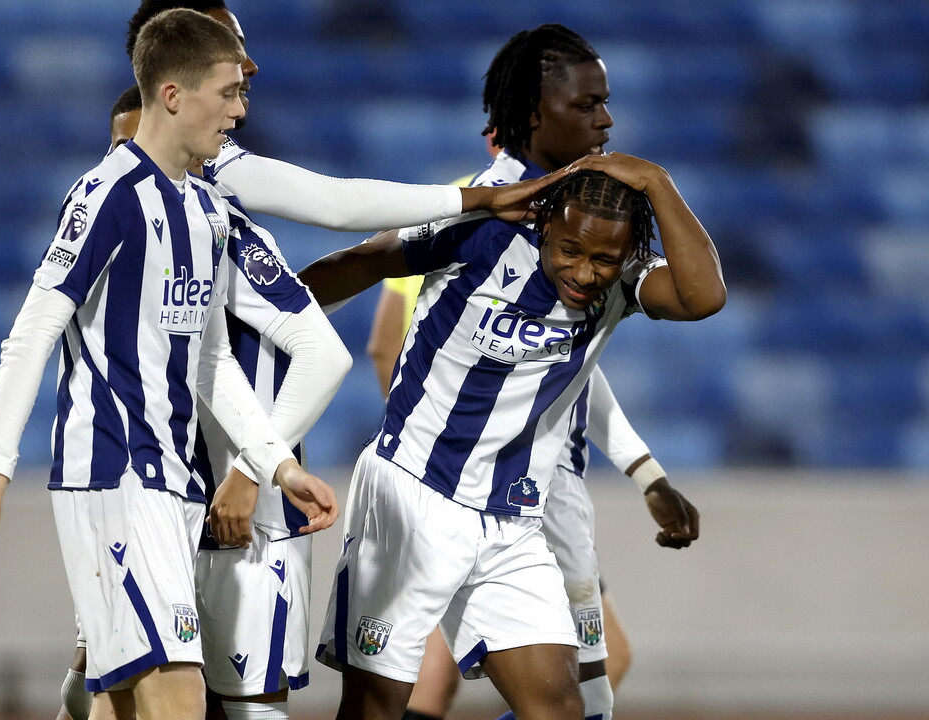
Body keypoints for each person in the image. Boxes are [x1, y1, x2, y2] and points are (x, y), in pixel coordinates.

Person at [0, 10, 339, 720]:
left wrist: (276, 465)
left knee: (123, 705)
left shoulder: (206, 212)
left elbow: (211, 362)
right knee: (178, 696)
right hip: (114, 475)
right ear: (172, 95)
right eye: (227, 93)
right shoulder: (107, 196)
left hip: (174, 485)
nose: (239, 111)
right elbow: (31, 335)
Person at [299, 146, 725, 720]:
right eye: (570, 250)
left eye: (603, 259)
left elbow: (704, 297)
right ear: (547, 226)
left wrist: (656, 179)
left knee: (560, 707)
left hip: (511, 521)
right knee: (377, 705)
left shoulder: (624, 280)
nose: (584, 272)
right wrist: (262, 321)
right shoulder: (483, 233)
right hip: (413, 496)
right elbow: (365, 260)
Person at [365, 25, 695, 720]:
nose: (607, 121)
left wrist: (645, 471)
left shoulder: (599, 223)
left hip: (544, 488)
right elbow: (386, 343)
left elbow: (572, 365)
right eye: (589, 105)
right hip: (443, 488)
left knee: (587, 687)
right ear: (531, 116)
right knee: (421, 686)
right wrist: (441, 442)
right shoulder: (470, 213)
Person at [126, 0, 570, 237]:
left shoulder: (196, 155)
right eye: (227, 50)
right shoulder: (147, 168)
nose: (249, 66)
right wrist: (483, 197)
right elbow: (335, 204)